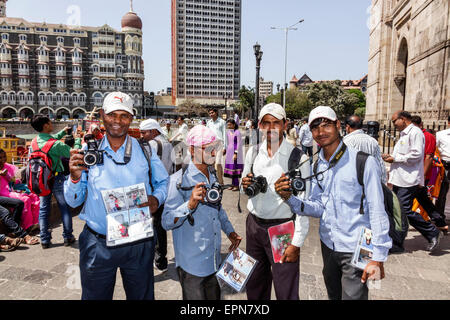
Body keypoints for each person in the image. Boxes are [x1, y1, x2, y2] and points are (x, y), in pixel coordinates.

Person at [275, 106, 392, 300]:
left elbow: (378, 211)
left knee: (353, 296)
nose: (321, 132)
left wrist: (378, 257)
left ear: (338, 125)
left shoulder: (363, 162)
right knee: (334, 295)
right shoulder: (317, 164)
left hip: (358, 244)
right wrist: (290, 199)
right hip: (328, 244)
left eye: (326, 125)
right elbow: (319, 206)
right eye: (315, 127)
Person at [64, 92, 169, 300]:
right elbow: (73, 201)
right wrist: (75, 178)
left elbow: (164, 182)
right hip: (98, 243)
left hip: (138, 242)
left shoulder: (145, 149)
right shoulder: (88, 151)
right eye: (112, 114)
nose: (118, 121)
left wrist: (156, 199)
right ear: (102, 115)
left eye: (124, 116)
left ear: (131, 118)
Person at [162, 125, 241, 300]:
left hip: (213, 262)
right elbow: (166, 222)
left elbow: (218, 209)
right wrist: (189, 205)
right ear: (192, 149)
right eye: (209, 149)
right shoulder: (178, 181)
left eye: (215, 148)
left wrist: (230, 232)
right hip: (191, 266)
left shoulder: (212, 177)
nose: (214, 153)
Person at [241, 103, 310, 300]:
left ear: (285, 124)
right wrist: (245, 185)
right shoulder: (253, 152)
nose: (271, 128)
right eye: (266, 123)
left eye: (276, 123)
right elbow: (244, 187)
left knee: (285, 288)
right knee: (255, 285)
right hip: (254, 226)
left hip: (282, 229)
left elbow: (304, 204)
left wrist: (296, 243)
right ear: (260, 125)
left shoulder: (299, 158)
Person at [382, 111, 443, 252]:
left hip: (409, 179)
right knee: (398, 209)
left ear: (403, 119)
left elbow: (416, 155)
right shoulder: (405, 133)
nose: (393, 124)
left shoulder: (415, 132)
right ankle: (396, 240)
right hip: (401, 178)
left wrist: (395, 159)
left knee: (403, 210)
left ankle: (432, 231)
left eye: (394, 121)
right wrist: (391, 156)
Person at [30, 114, 82, 249]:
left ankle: (44, 239)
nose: (52, 123)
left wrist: (62, 132)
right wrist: (77, 139)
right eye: (50, 122)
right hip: (56, 177)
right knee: (64, 207)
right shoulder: (56, 144)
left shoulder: (34, 142)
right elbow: (73, 152)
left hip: (41, 179)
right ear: (46, 125)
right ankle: (67, 236)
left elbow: (49, 142)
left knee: (43, 209)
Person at [140, 118, 175, 273]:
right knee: (160, 226)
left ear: (153, 131)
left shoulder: (152, 145)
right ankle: (162, 260)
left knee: (152, 226)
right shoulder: (167, 142)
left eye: (144, 132)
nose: (141, 135)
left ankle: (155, 259)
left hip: (153, 189)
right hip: (165, 188)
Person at [411, 116, 448, 234]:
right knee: (432, 197)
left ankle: (433, 228)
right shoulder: (440, 135)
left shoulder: (428, 136)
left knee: (411, 202)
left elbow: (429, 156)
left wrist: (422, 175)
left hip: (423, 173)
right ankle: (439, 221)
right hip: (441, 166)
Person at [0, 149, 40, 235]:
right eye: (0, 157)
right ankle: (27, 226)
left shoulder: (8, 167)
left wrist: (8, 176)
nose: (3, 159)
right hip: (2, 193)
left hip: (11, 189)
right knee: (25, 199)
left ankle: (35, 223)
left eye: (4, 157)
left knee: (34, 196)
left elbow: (13, 181)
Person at [343, 115, 387, 184]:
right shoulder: (372, 141)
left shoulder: (346, 141)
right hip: (369, 181)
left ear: (347, 127)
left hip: (351, 183)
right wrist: (382, 183)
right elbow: (379, 164)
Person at [206, 108, 227, 185]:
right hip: (211, 145)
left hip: (219, 144)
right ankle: (213, 181)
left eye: (212, 112)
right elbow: (207, 134)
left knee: (218, 163)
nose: (211, 114)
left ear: (216, 113)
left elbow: (225, 134)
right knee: (211, 164)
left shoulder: (222, 122)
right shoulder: (209, 123)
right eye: (210, 113)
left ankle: (221, 182)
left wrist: (225, 147)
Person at [435, 116, 450, 221]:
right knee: (442, 192)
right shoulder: (440, 134)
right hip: (445, 165)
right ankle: (439, 217)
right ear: (448, 123)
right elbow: (435, 150)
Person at [224, 119, 243, 191]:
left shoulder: (237, 132)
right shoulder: (228, 132)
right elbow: (228, 142)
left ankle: (236, 185)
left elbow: (239, 143)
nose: (228, 126)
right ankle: (232, 184)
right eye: (228, 125)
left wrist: (236, 153)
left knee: (235, 168)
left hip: (235, 152)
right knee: (231, 168)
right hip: (229, 151)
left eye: (230, 125)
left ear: (234, 125)